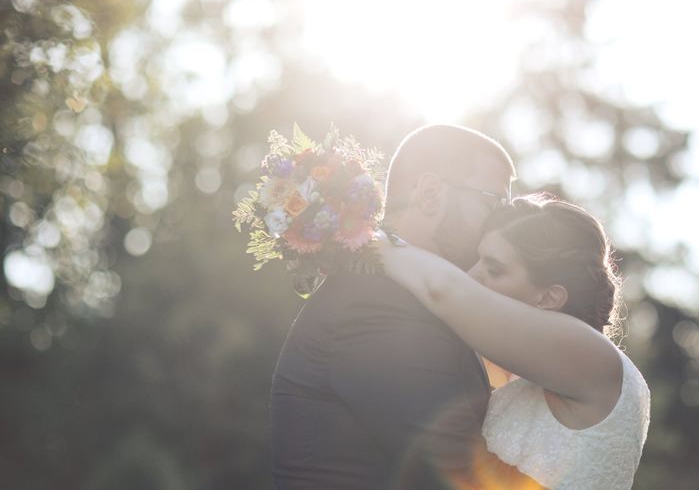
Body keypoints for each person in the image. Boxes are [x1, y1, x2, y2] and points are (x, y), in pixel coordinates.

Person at [270, 125, 545, 489]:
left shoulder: (405, 296)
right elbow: (460, 472)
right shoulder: (375, 304)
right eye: (493, 203)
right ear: (430, 193)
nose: (501, 228)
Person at [376, 194, 651, 490]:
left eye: (494, 268)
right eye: (477, 259)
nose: (471, 276)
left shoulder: (594, 356)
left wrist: (358, 231)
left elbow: (443, 288)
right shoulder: (528, 381)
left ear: (549, 297)